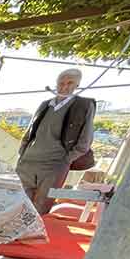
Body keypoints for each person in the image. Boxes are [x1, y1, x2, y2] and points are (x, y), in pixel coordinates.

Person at [16, 68, 96, 215]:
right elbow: (29, 132)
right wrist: (22, 153)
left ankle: (30, 237)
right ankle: (11, 236)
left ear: (77, 85)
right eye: (61, 83)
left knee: (40, 207)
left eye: (70, 83)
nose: (64, 86)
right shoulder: (45, 104)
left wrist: (66, 160)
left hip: (54, 164)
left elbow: (85, 140)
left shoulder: (83, 105)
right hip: (28, 162)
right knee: (17, 202)